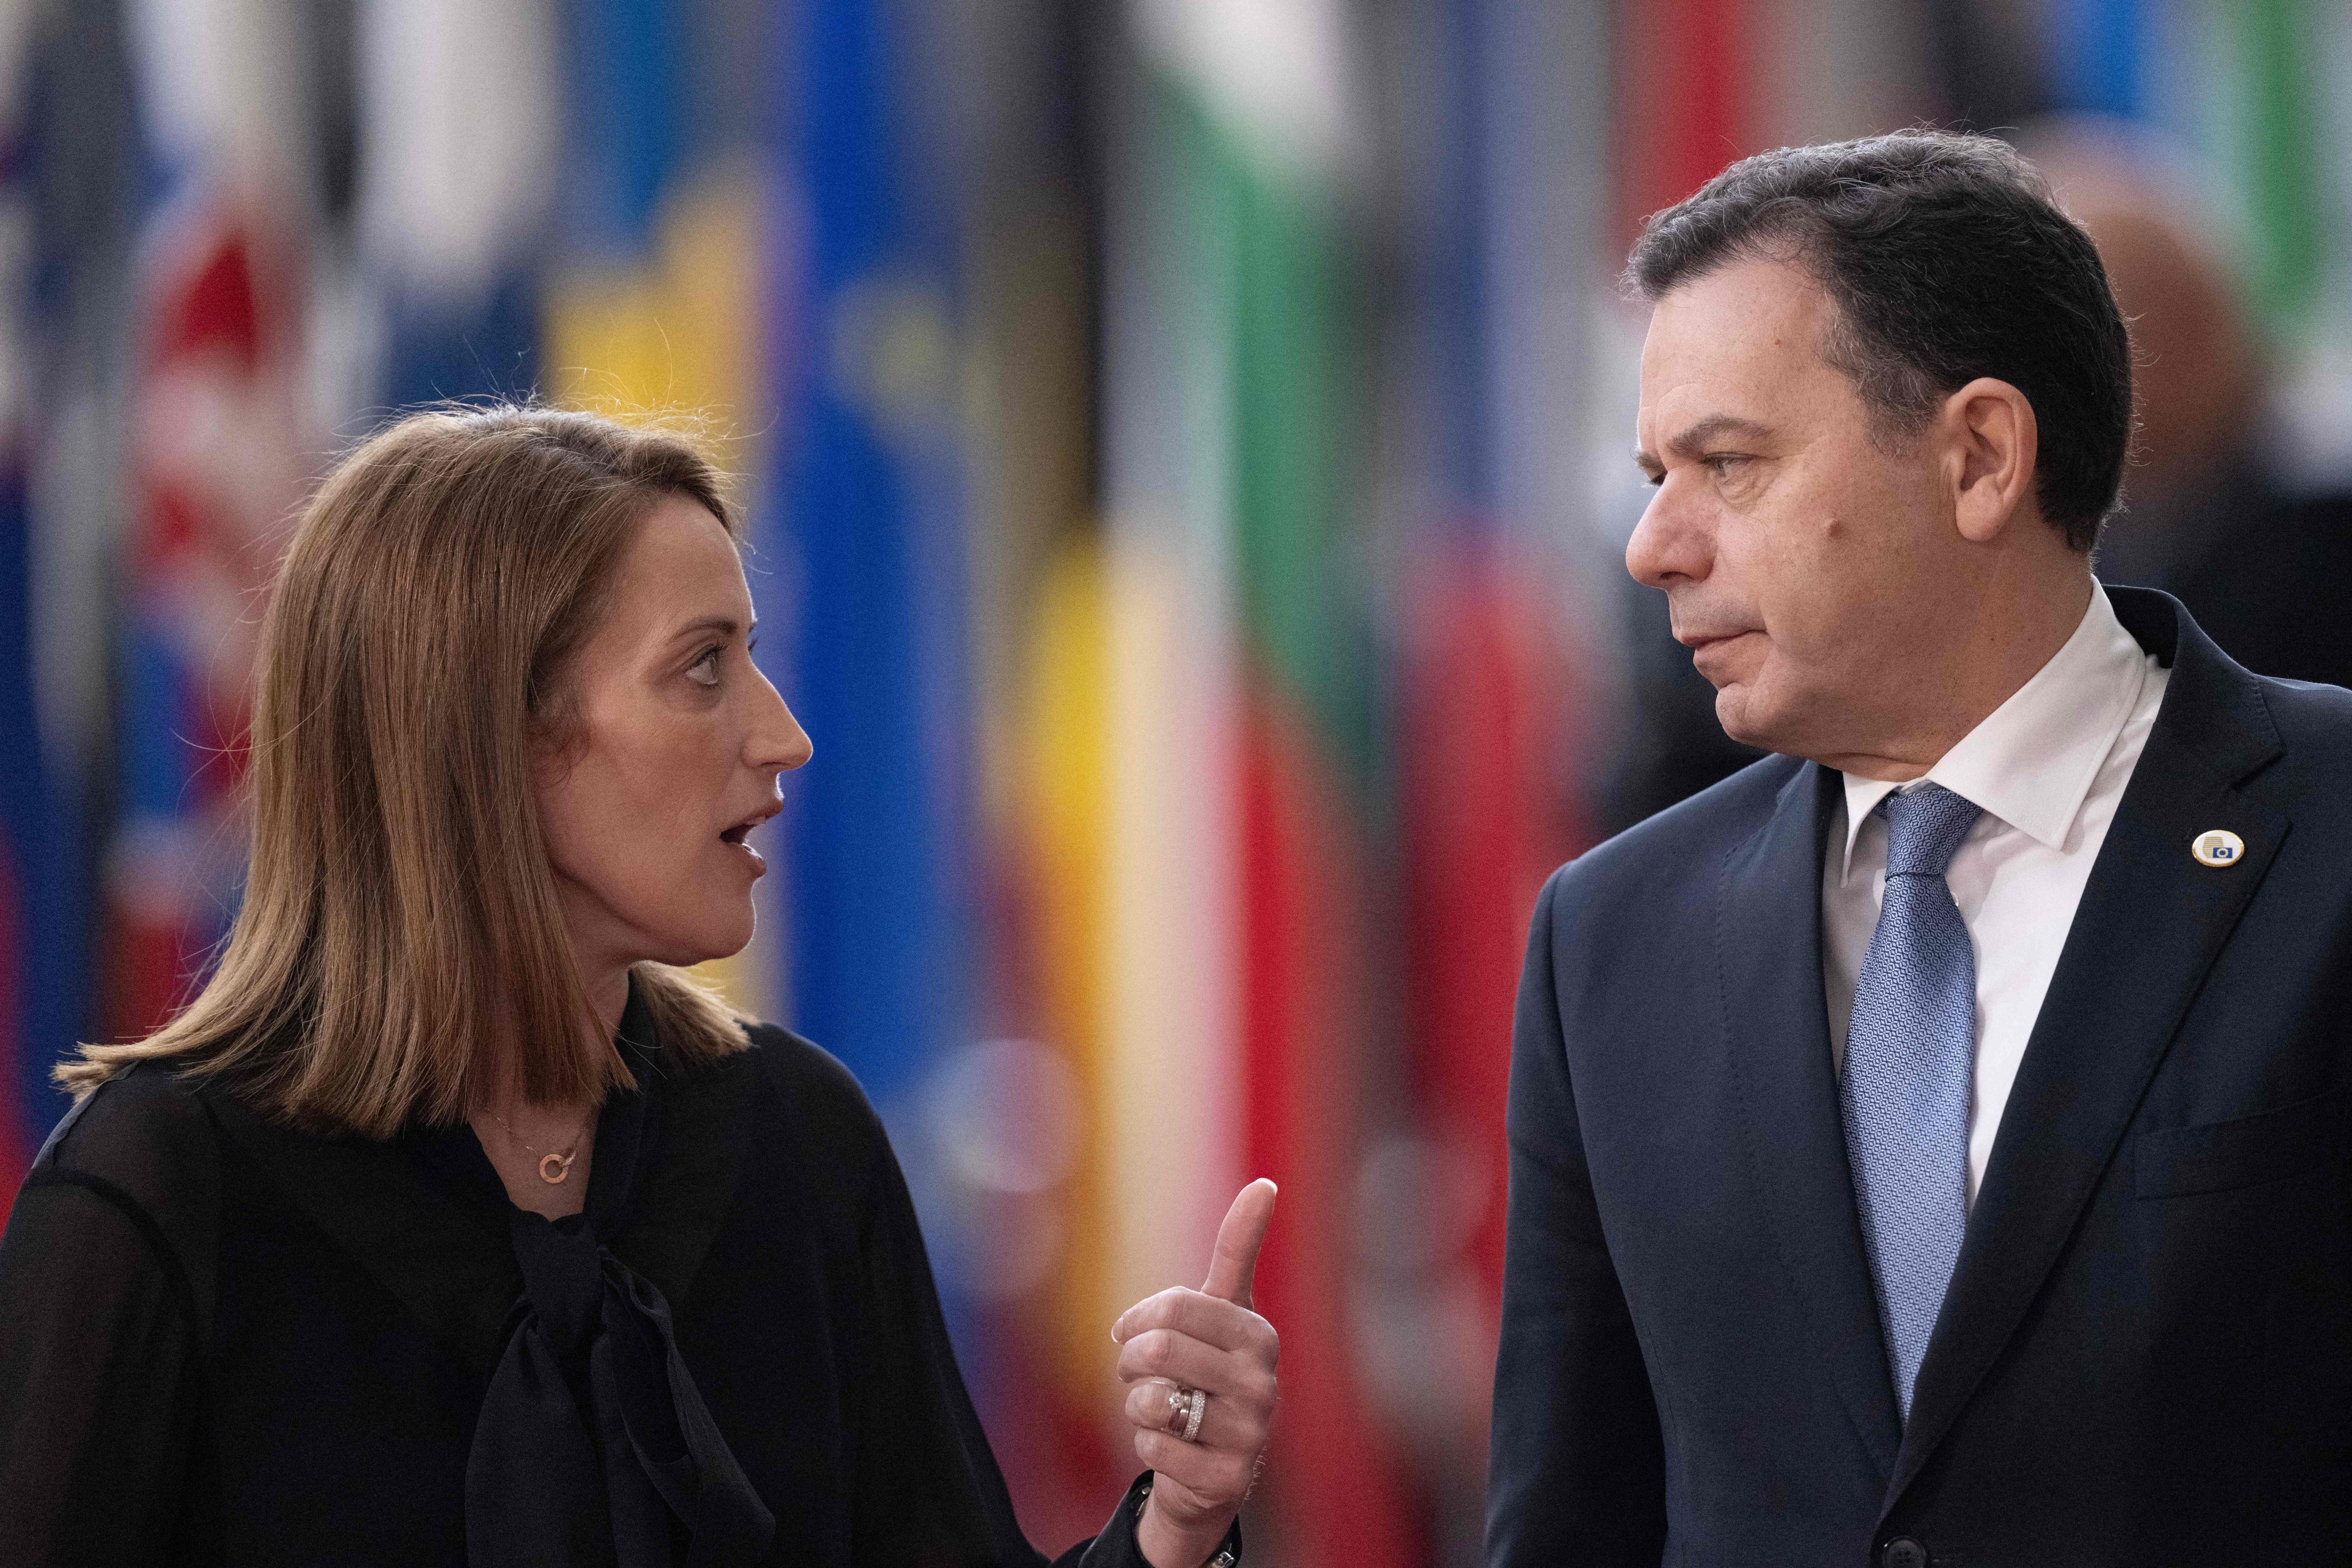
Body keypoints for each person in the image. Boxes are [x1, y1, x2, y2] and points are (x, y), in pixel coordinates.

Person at [0, 406, 1281, 1567]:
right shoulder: (164, 1193)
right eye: (702, 667)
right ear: (490, 736)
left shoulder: (797, 1142)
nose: (785, 735)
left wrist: (1172, 1532)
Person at [1486, 132, 2352, 1566]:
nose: (1651, 547)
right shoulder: (1610, 937)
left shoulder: (2326, 830)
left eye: (1725, 465)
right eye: (1652, 474)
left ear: (1978, 457)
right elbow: (1571, 1521)